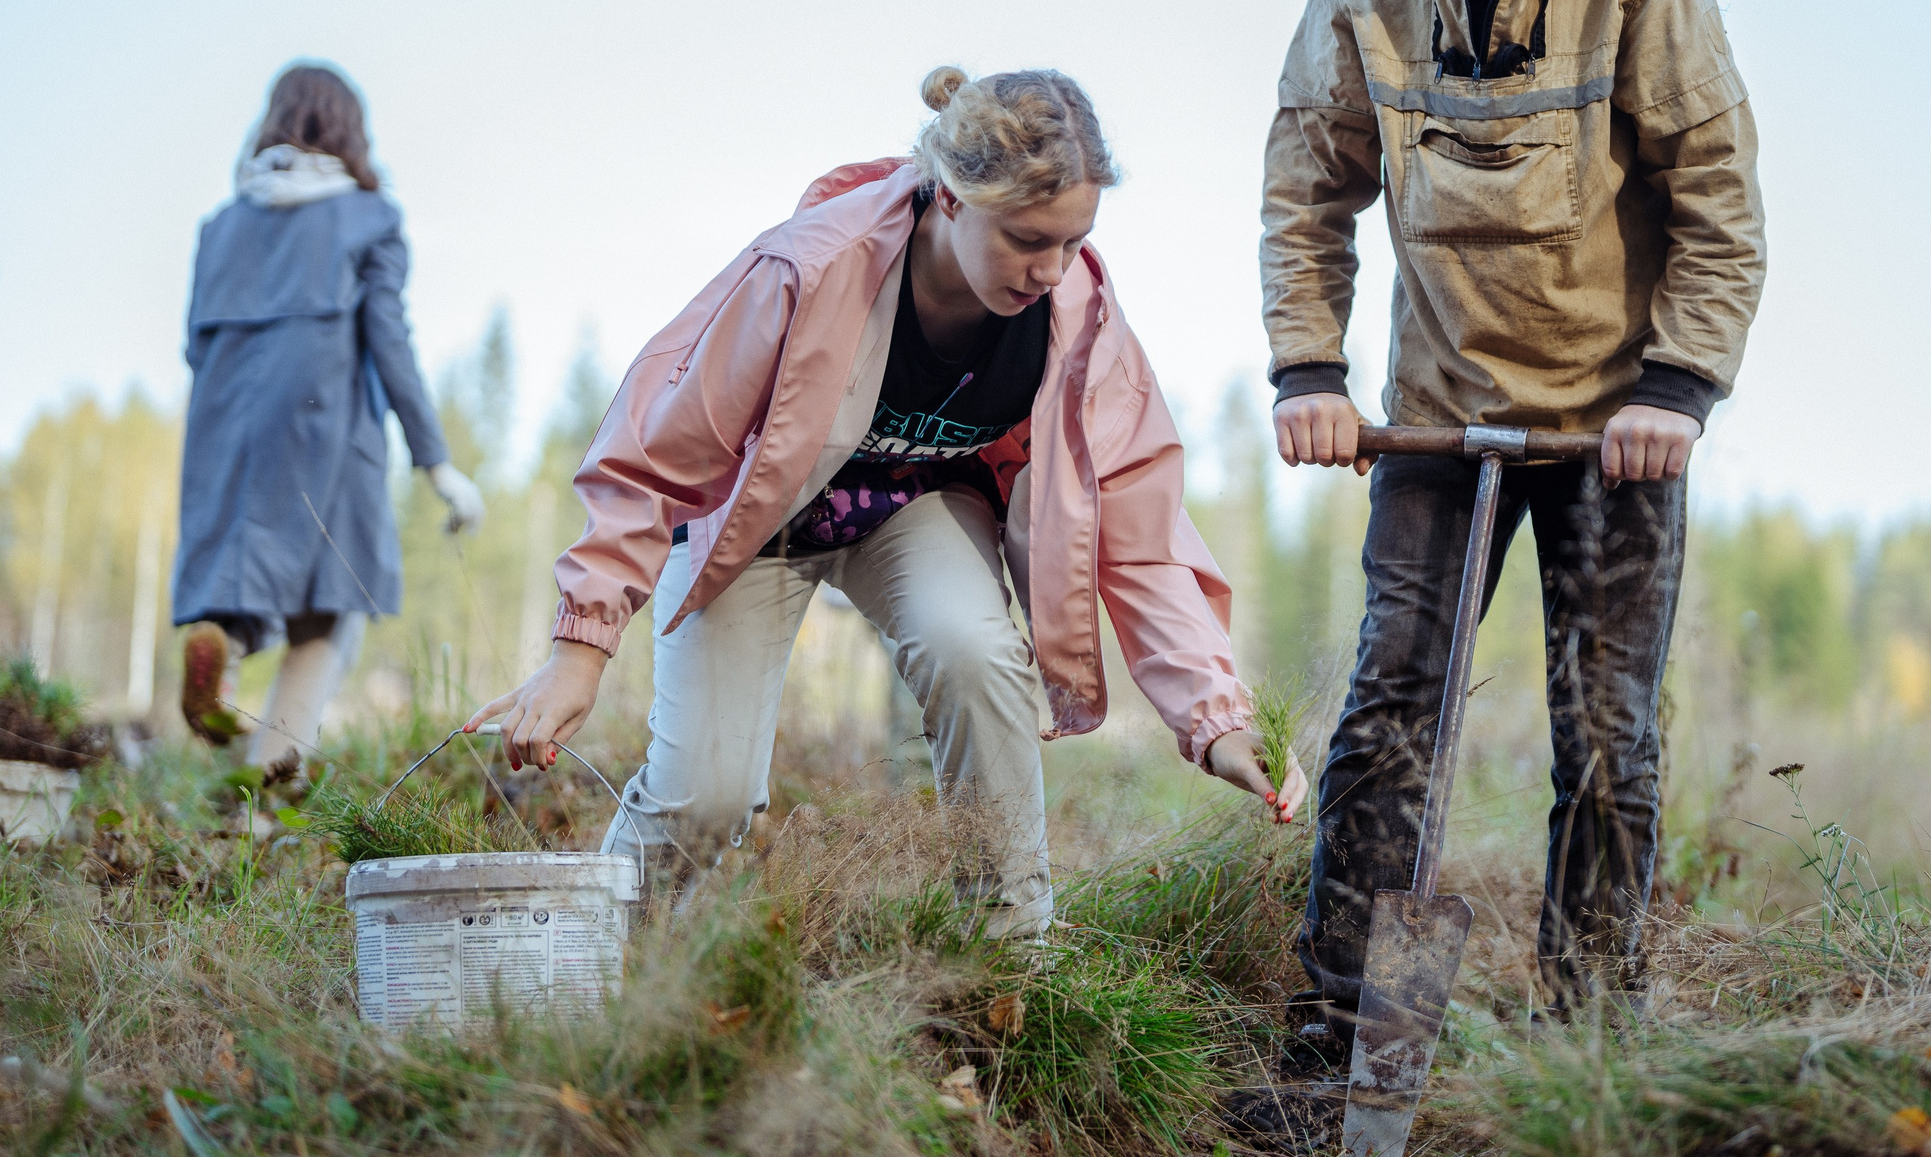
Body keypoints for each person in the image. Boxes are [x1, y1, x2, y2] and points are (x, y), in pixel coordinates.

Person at [468, 67, 1307, 935]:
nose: (1050, 269)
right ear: (950, 196)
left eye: (1072, 240)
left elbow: (1138, 528)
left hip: (914, 507)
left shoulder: (1078, 315)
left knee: (976, 652)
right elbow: (656, 450)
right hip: (755, 519)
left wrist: (1216, 719)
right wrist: (582, 645)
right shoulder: (809, 266)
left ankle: (1010, 961)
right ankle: (590, 961)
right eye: (1026, 239)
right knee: (706, 795)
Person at [1260, 0, 1767, 1054]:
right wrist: (1308, 367)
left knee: (1606, 739)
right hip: (1440, 427)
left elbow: (1717, 192)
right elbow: (1306, 188)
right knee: (1386, 722)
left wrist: (1678, 386)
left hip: (1617, 429)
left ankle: (1590, 1038)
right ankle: (1339, 1040)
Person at [172, 63, 484, 770]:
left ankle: (227, 647)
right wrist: (435, 462)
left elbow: (195, 345)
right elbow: (390, 339)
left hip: (223, 429)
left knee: (243, 587)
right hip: (324, 426)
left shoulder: (221, 226)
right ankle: (271, 778)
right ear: (349, 129)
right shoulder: (368, 217)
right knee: (333, 605)